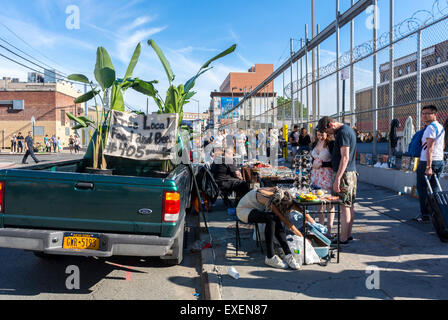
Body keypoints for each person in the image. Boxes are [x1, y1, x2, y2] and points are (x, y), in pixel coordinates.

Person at [236, 187, 315, 270]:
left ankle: (288, 255)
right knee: (271, 218)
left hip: (255, 209)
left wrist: (312, 221)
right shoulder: (268, 198)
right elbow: (285, 221)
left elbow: (295, 206)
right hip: (244, 211)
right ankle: (270, 257)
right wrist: (302, 237)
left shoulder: (280, 194)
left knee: (274, 218)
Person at [317, 116, 357, 245]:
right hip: (349, 173)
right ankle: (348, 234)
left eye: (327, 131)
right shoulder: (345, 131)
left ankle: (343, 237)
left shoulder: (343, 133)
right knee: (349, 204)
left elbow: (345, 157)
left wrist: (338, 178)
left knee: (344, 205)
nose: (328, 134)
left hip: (345, 174)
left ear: (331, 125)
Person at [414, 105, 445, 223]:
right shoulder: (440, 127)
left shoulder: (430, 128)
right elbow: (442, 146)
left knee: (422, 188)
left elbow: (429, 149)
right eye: (423, 113)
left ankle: (425, 214)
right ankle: (439, 213)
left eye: (428, 113)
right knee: (435, 188)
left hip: (428, 162)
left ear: (434, 115)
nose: (425, 116)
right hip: (439, 160)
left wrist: (428, 166)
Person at [310, 130, 336, 237]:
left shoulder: (331, 144)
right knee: (319, 203)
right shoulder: (314, 143)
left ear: (327, 134)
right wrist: (314, 164)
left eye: (322, 134)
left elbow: (334, 162)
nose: (320, 137)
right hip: (316, 176)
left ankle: (329, 230)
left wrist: (322, 164)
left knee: (329, 203)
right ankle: (320, 228)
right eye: (318, 135)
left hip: (327, 175)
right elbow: (312, 159)